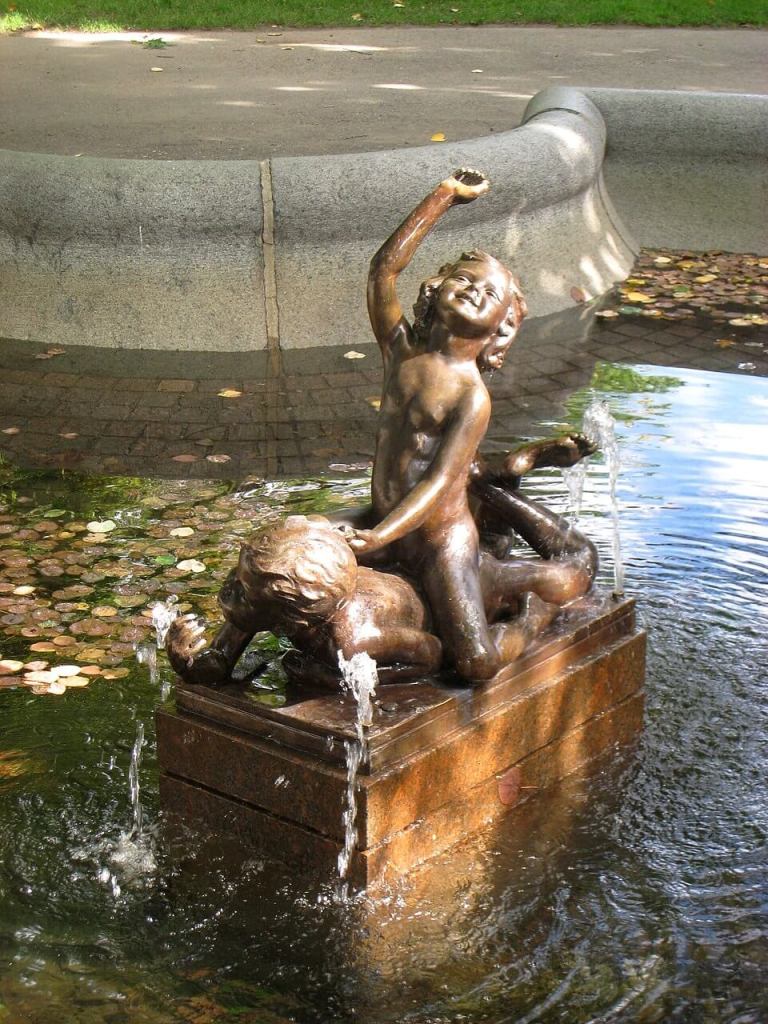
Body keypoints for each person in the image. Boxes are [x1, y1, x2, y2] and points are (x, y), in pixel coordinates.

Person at [343, 169, 596, 683]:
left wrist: (379, 536)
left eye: (490, 294)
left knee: (476, 663)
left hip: (440, 541)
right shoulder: (402, 351)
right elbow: (382, 271)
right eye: (464, 279)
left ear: (501, 327)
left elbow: (439, 483)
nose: (474, 291)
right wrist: (444, 196)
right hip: (386, 519)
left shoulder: (471, 396)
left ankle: (533, 614)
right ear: (437, 288)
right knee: (298, 539)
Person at [165, 514, 442, 689]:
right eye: (236, 574)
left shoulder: (349, 643)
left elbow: (431, 655)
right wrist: (188, 663)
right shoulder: (263, 594)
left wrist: (333, 679)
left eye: (242, 590)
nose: (229, 588)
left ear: (285, 622)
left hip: (419, 596)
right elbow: (219, 661)